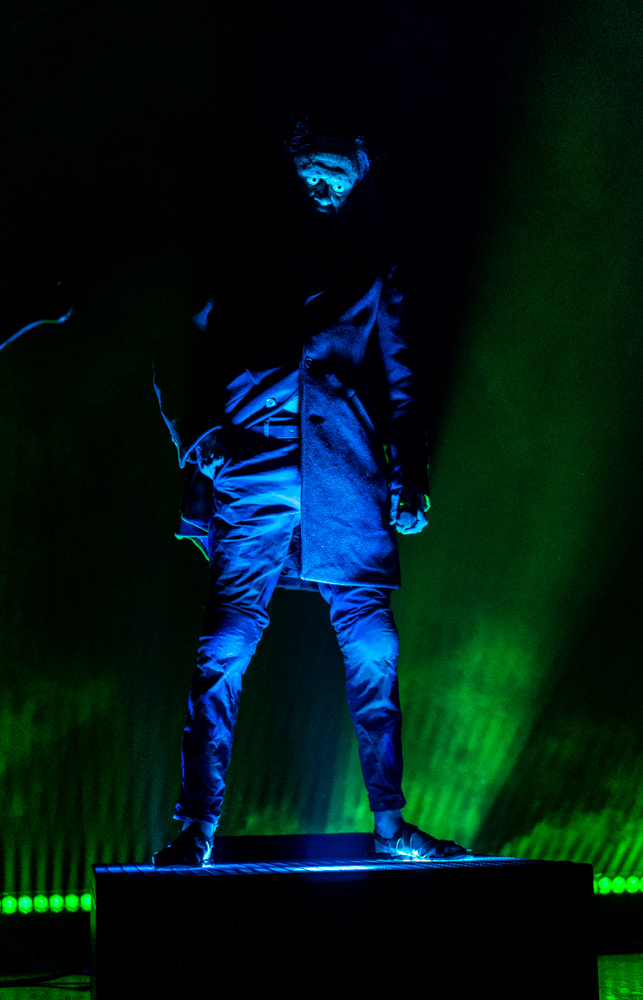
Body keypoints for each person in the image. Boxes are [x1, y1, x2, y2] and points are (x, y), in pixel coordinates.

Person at [152, 122, 470, 865]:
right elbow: (175, 343)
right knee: (225, 646)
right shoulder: (241, 248)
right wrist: (200, 436)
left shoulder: (371, 264)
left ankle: (389, 825)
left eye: (339, 174)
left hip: (346, 478)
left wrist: (412, 473)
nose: (325, 185)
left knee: (374, 645)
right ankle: (196, 826)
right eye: (313, 171)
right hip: (252, 465)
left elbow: (401, 377)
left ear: (358, 182)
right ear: (289, 170)